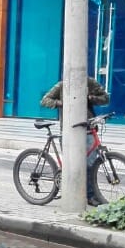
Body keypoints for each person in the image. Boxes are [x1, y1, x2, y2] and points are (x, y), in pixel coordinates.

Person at [40, 76, 110, 204]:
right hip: (68, 130)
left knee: (90, 164)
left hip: (88, 128)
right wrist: (62, 103)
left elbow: (105, 98)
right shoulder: (62, 85)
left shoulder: (90, 82)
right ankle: (70, 191)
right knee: (71, 165)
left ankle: (90, 196)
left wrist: (91, 98)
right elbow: (45, 100)